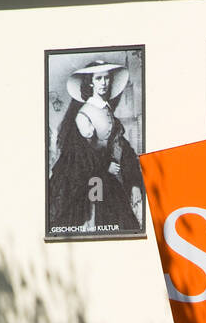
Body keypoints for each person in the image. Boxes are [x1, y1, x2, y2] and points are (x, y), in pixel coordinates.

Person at [49, 61, 143, 235]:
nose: (104, 83)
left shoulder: (107, 111)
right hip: (90, 181)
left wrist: (134, 181)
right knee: (97, 220)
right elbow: (81, 154)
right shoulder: (84, 114)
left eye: (106, 78)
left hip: (111, 180)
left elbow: (120, 146)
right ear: (90, 82)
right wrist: (105, 166)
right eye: (99, 78)